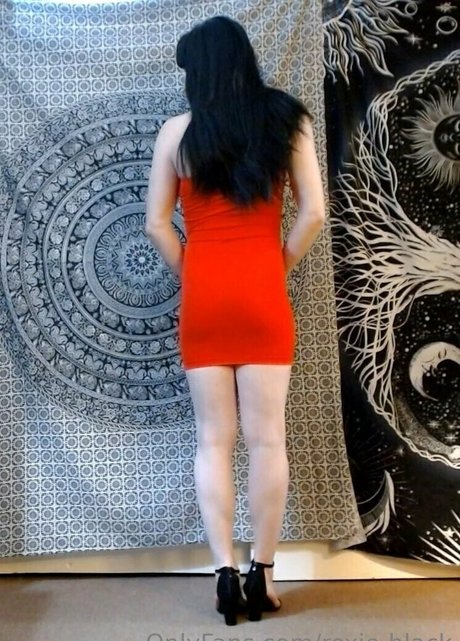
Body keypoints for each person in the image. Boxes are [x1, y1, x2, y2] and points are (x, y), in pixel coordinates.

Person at [145, 15, 325, 625]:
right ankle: (263, 575)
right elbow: (313, 214)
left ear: (200, 70)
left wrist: (195, 272)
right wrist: (277, 265)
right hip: (261, 288)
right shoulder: (286, 120)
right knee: (267, 437)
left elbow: (156, 225)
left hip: (206, 295)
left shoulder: (177, 133)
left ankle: (223, 572)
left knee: (213, 440)